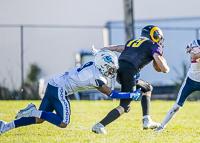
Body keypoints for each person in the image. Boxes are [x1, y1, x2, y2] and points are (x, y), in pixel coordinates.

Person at [0, 50, 141, 135]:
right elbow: (111, 94)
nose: (111, 71)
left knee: (41, 119)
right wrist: (130, 95)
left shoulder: (94, 64)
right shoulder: (97, 78)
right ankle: (33, 111)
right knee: (63, 122)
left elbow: (98, 54)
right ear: (103, 66)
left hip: (53, 84)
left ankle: (6, 126)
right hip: (60, 89)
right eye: (110, 69)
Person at [92, 25, 170, 134]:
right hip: (129, 73)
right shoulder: (152, 44)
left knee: (147, 88)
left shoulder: (132, 42)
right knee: (125, 106)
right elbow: (163, 68)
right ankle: (99, 125)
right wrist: (166, 67)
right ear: (155, 35)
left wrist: (99, 51)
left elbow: (115, 47)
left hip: (119, 72)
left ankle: (146, 120)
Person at [155, 39, 200, 132]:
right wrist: (189, 48)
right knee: (177, 106)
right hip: (190, 80)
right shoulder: (196, 42)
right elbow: (190, 50)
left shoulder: (195, 47)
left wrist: (190, 50)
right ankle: (161, 126)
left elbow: (194, 56)